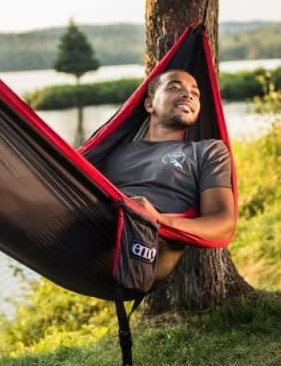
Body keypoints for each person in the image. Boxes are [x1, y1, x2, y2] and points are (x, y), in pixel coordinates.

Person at [101, 69, 236, 280]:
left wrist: (158, 221)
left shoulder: (207, 151)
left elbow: (223, 223)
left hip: (148, 249)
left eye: (195, 93)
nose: (188, 95)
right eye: (174, 87)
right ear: (149, 104)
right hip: (93, 234)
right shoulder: (116, 151)